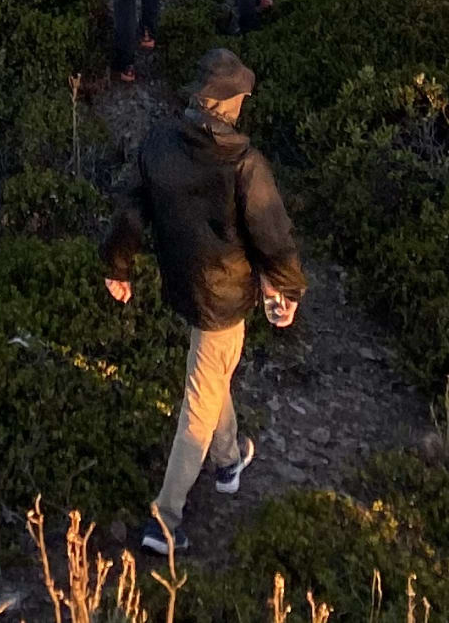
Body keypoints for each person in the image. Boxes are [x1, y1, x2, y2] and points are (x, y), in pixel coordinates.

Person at [102, 46, 303, 552]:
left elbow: (131, 209)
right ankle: (164, 521)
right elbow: (273, 236)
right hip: (224, 297)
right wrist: (289, 288)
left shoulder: (160, 142)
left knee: (211, 372)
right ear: (232, 104)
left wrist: (119, 265)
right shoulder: (244, 164)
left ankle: (229, 459)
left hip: (184, 285)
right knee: (200, 399)